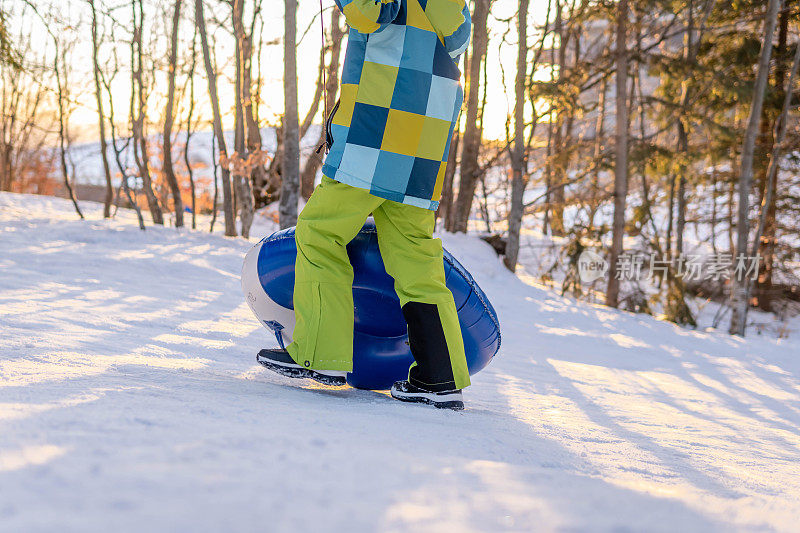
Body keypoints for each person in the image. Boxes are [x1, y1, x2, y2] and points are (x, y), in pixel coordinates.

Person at [258, 0, 473, 410]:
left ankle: (320, 356)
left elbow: (367, 11)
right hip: (425, 149)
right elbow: (459, 39)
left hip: (376, 134)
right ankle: (439, 377)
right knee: (414, 257)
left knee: (319, 231)